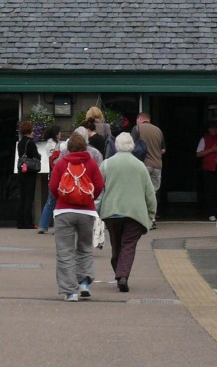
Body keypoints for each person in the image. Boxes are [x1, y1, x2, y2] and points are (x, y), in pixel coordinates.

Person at [48, 131, 104, 301]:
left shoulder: (61, 163)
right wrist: (89, 200)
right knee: (85, 248)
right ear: (85, 147)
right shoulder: (92, 164)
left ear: (69, 148)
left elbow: (52, 186)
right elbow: (100, 185)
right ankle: (84, 283)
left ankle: (70, 292)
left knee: (65, 252)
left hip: (64, 212)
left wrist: (62, 199)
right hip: (86, 212)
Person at [99, 132, 157, 292]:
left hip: (111, 212)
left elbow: (98, 189)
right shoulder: (140, 166)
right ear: (132, 146)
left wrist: (96, 209)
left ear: (116, 146)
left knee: (116, 245)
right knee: (128, 246)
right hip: (134, 214)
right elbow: (150, 193)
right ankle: (123, 275)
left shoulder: (106, 164)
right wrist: (151, 214)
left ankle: (120, 273)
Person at [196, 122, 217, 222]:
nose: (214, 130)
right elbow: (198, 154)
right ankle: (211, 213)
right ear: (209, 129)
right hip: (208, 168)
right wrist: (211, 150)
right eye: (212, 128)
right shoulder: (204, 139)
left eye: (216, 128)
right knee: (210, 190)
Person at [36, 124, 65, 234]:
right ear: (56, 134)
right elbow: (56, 160)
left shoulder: (50, 144)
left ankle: (43, 225)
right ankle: (57, 226)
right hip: (57, 175)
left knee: (50, 202)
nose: (60, 133)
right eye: (59, 132)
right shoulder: (54, 145)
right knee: (58, 202)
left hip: (52, 176)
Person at [132, 112, 166, 194]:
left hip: (143, 165)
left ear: (140, 118)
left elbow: (131, 146)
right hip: (157, 165)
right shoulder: (158, 130)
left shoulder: (137, 128)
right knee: (153, 192)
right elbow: (163, 150)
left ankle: (142, 207)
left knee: (141, 191)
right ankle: (152, 207)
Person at [15, 120, 41, 229]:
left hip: (21, 171)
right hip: (30, 172)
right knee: (29, 197)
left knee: (22, 197)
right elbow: (36, 156)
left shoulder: (20, 142)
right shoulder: (30, 142)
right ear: (30, 130)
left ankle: (20, 222)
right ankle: (28, 222)